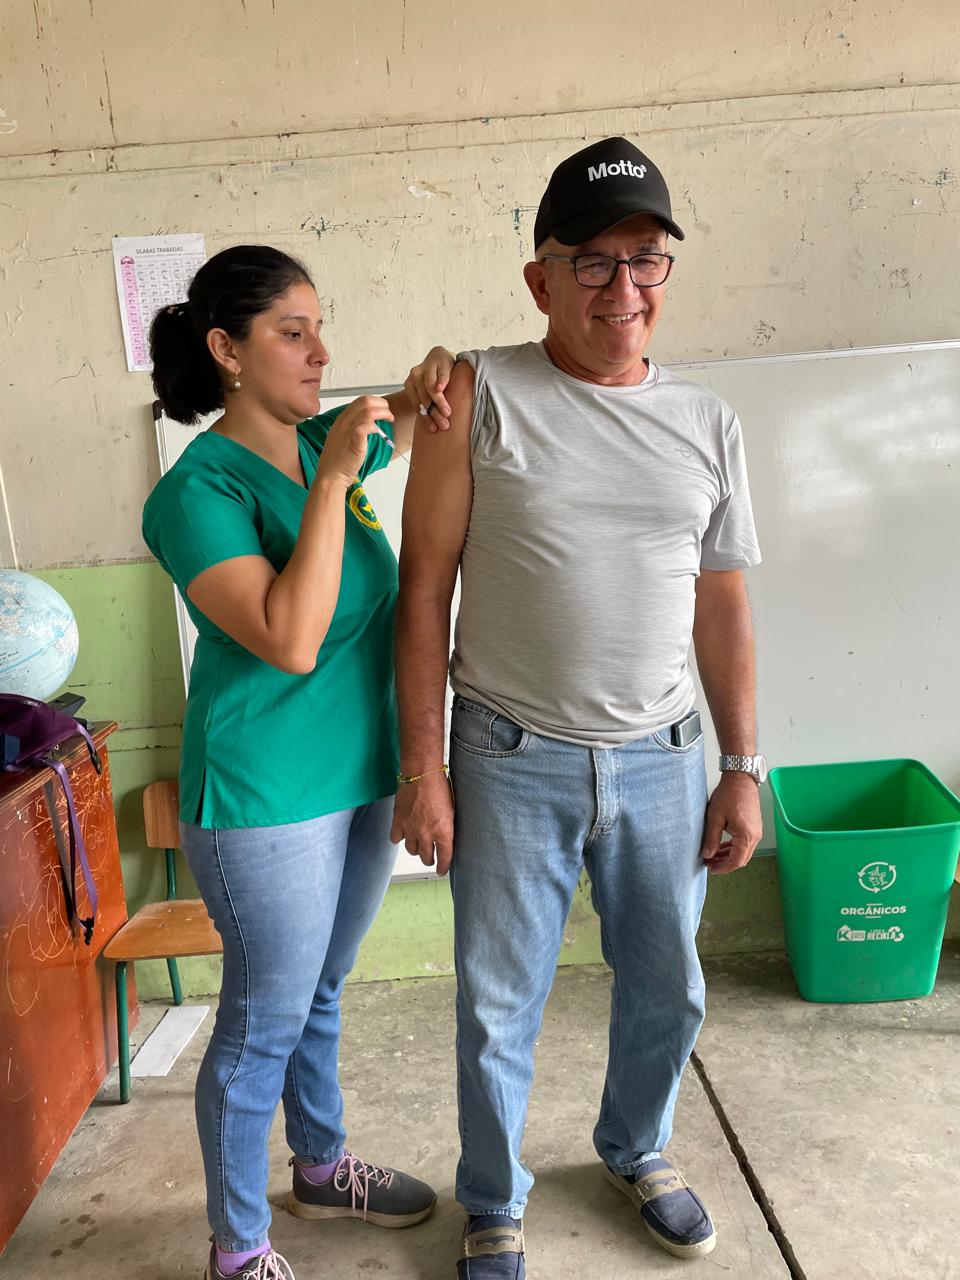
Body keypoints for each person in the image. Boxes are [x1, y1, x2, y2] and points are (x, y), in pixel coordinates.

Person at [391, 137, 765, 1277]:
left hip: (666, 755)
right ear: (540, 279)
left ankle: (635, 1146)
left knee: (671, 987)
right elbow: (425, 591)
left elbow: (722, 608)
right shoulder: (477, 395)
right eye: (592, 261)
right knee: (498, 1003)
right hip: (510, 753)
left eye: (645, 259)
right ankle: (493, 1200)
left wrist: (742, 762)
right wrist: (423, 768)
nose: (622, 288)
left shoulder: (707, 421)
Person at [143, 244, 455, 1280]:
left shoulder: (325, 443)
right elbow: (290, 635)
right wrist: (330, 480)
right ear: (227, 350)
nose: (320, 352)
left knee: (321, 987)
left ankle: (320, 1167)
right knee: (260, 1021)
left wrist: (424, 382)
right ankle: (237, 1248)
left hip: (357, 776)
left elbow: (405, 411)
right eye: (292, 332)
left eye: (321, 329)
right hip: (263, 798)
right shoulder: (198, 492)